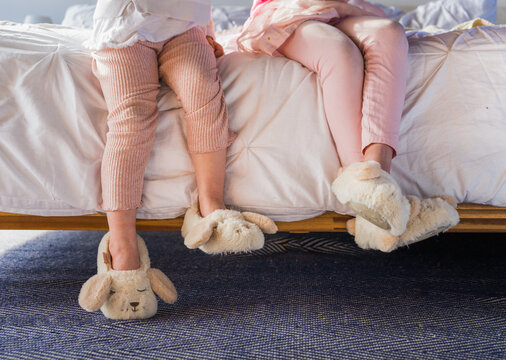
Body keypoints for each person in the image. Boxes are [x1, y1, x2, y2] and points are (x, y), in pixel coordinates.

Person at [82, 0, 275, 316]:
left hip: (183, 27)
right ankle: (121, 247)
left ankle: (211, 205)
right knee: (131, 120)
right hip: (124, 25)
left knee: (204, 95)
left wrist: (207, 28)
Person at [237, 0, 459, 251]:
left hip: (342, 9)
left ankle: (378, 181)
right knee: (339, 52)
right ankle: (366, 198)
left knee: (389, 32)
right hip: (290, 11)